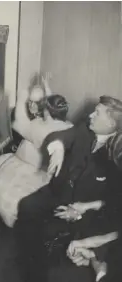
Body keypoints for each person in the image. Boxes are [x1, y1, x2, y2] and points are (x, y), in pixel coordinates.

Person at [0, 73, 74, 228]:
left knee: (4, 191)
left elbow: (18, 123)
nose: (31, 106)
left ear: (45, 106)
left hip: (33, 169)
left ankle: (12, 222)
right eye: (30, 102)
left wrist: (21, 96)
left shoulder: (39, 126)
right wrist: (46, 87)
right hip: (24, 160)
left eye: (37, 102)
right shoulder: (64, 123)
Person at [49, 97, 122, 282]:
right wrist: (58, 149)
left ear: (112, 123)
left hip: (89, 217)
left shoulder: (114, 154)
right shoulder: (84, 129)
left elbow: (110, 205)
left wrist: (81, 213)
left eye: (97, 113)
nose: (90, 115)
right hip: (67, 198)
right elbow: (62, 136)